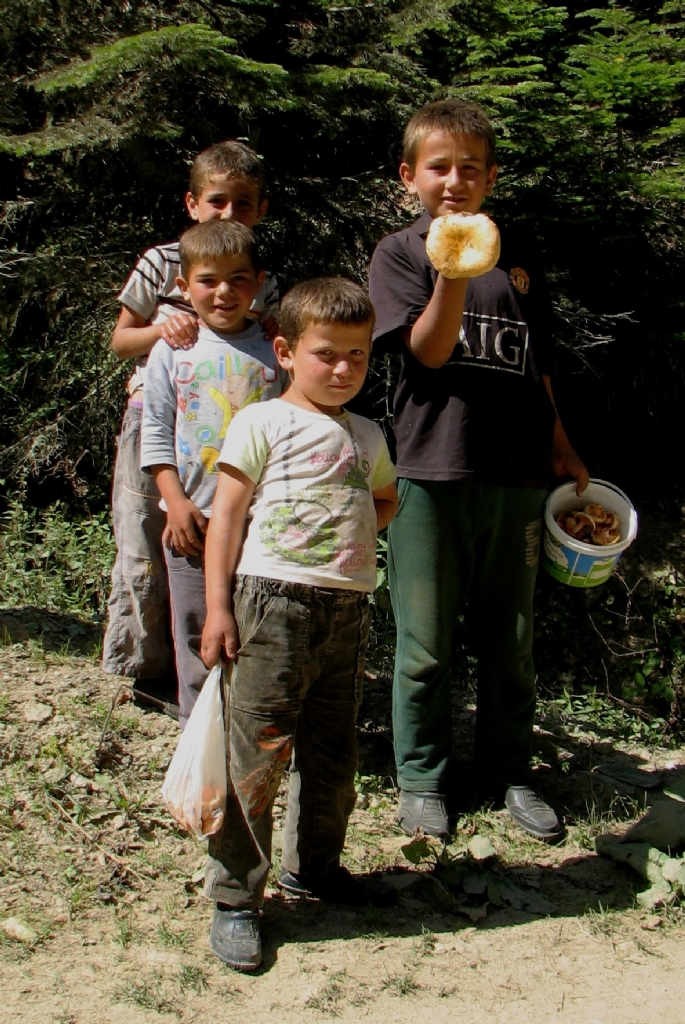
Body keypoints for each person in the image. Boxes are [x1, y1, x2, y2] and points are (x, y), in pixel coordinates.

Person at [368, 99, 589, 842]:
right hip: (429, 471)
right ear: (410, 176)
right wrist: (452, 267)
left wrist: (560, 442)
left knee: (511, 638)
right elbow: (426, 351)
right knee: (425, 642)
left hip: (516, 475)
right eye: (439, 167)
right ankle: (423, 778)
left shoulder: (518, 258)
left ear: (491, 176)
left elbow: (539, 363)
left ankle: (510, 773)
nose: (454, 180)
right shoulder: (399, 254)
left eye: (470, 168)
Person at [200, 278, 399, 971]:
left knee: (332, 755)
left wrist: (345, 543)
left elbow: (383, 498)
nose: (343, 369)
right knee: (255, 758)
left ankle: (314, 869)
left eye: (357, 355)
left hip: (345, 611)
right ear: (284, 351)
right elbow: (226, 514)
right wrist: (219, 606)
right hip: (269, 603)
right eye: (326, 354)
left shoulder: (367, 432)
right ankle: (234, 899)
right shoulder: (260, 421)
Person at [102, 141, 279, 716]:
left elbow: (274, 347)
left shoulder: (258, 277)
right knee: (146, 544)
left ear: (261, 210)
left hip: (234, 436)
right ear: (193, 201)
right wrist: (164, 331)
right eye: (217, 201)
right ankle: (152, 676)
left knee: (220, 554)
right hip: (157, 421)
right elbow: (119, 339)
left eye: (243, 203)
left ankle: (227, 685)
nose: (228, 213)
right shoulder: (162, 261)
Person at [141, 219, 285, 727]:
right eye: (208, 280)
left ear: (260, 282)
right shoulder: (171, 350)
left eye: (239, 279)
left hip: (263, 525)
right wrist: (174, 503)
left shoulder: (277, 350)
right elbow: (154, 429)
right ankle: (197, 737)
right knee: (197, 632)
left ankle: (252, 734)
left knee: (256, 632)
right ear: (183, 286)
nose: (224, 292)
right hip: (193, 524)